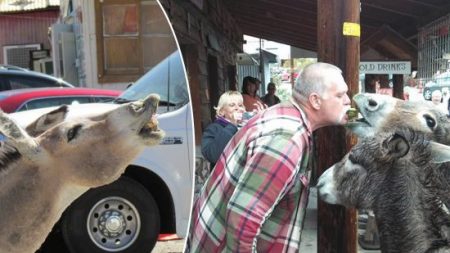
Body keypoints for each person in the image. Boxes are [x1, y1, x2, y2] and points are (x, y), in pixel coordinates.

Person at [186, 62, 351, 252]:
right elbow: (243, 221)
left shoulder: (285, 115)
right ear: (315, 101)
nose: (348, 100)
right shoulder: (286, 139)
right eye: (340, 95)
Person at [201, 91, 245, 170]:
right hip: (225, 176)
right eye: (232, 105)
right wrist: (232, 125)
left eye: (240, 105)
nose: (237, 108)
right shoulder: (213, 128)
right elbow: (212, 155)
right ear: (221, 111)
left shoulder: (246, 126)